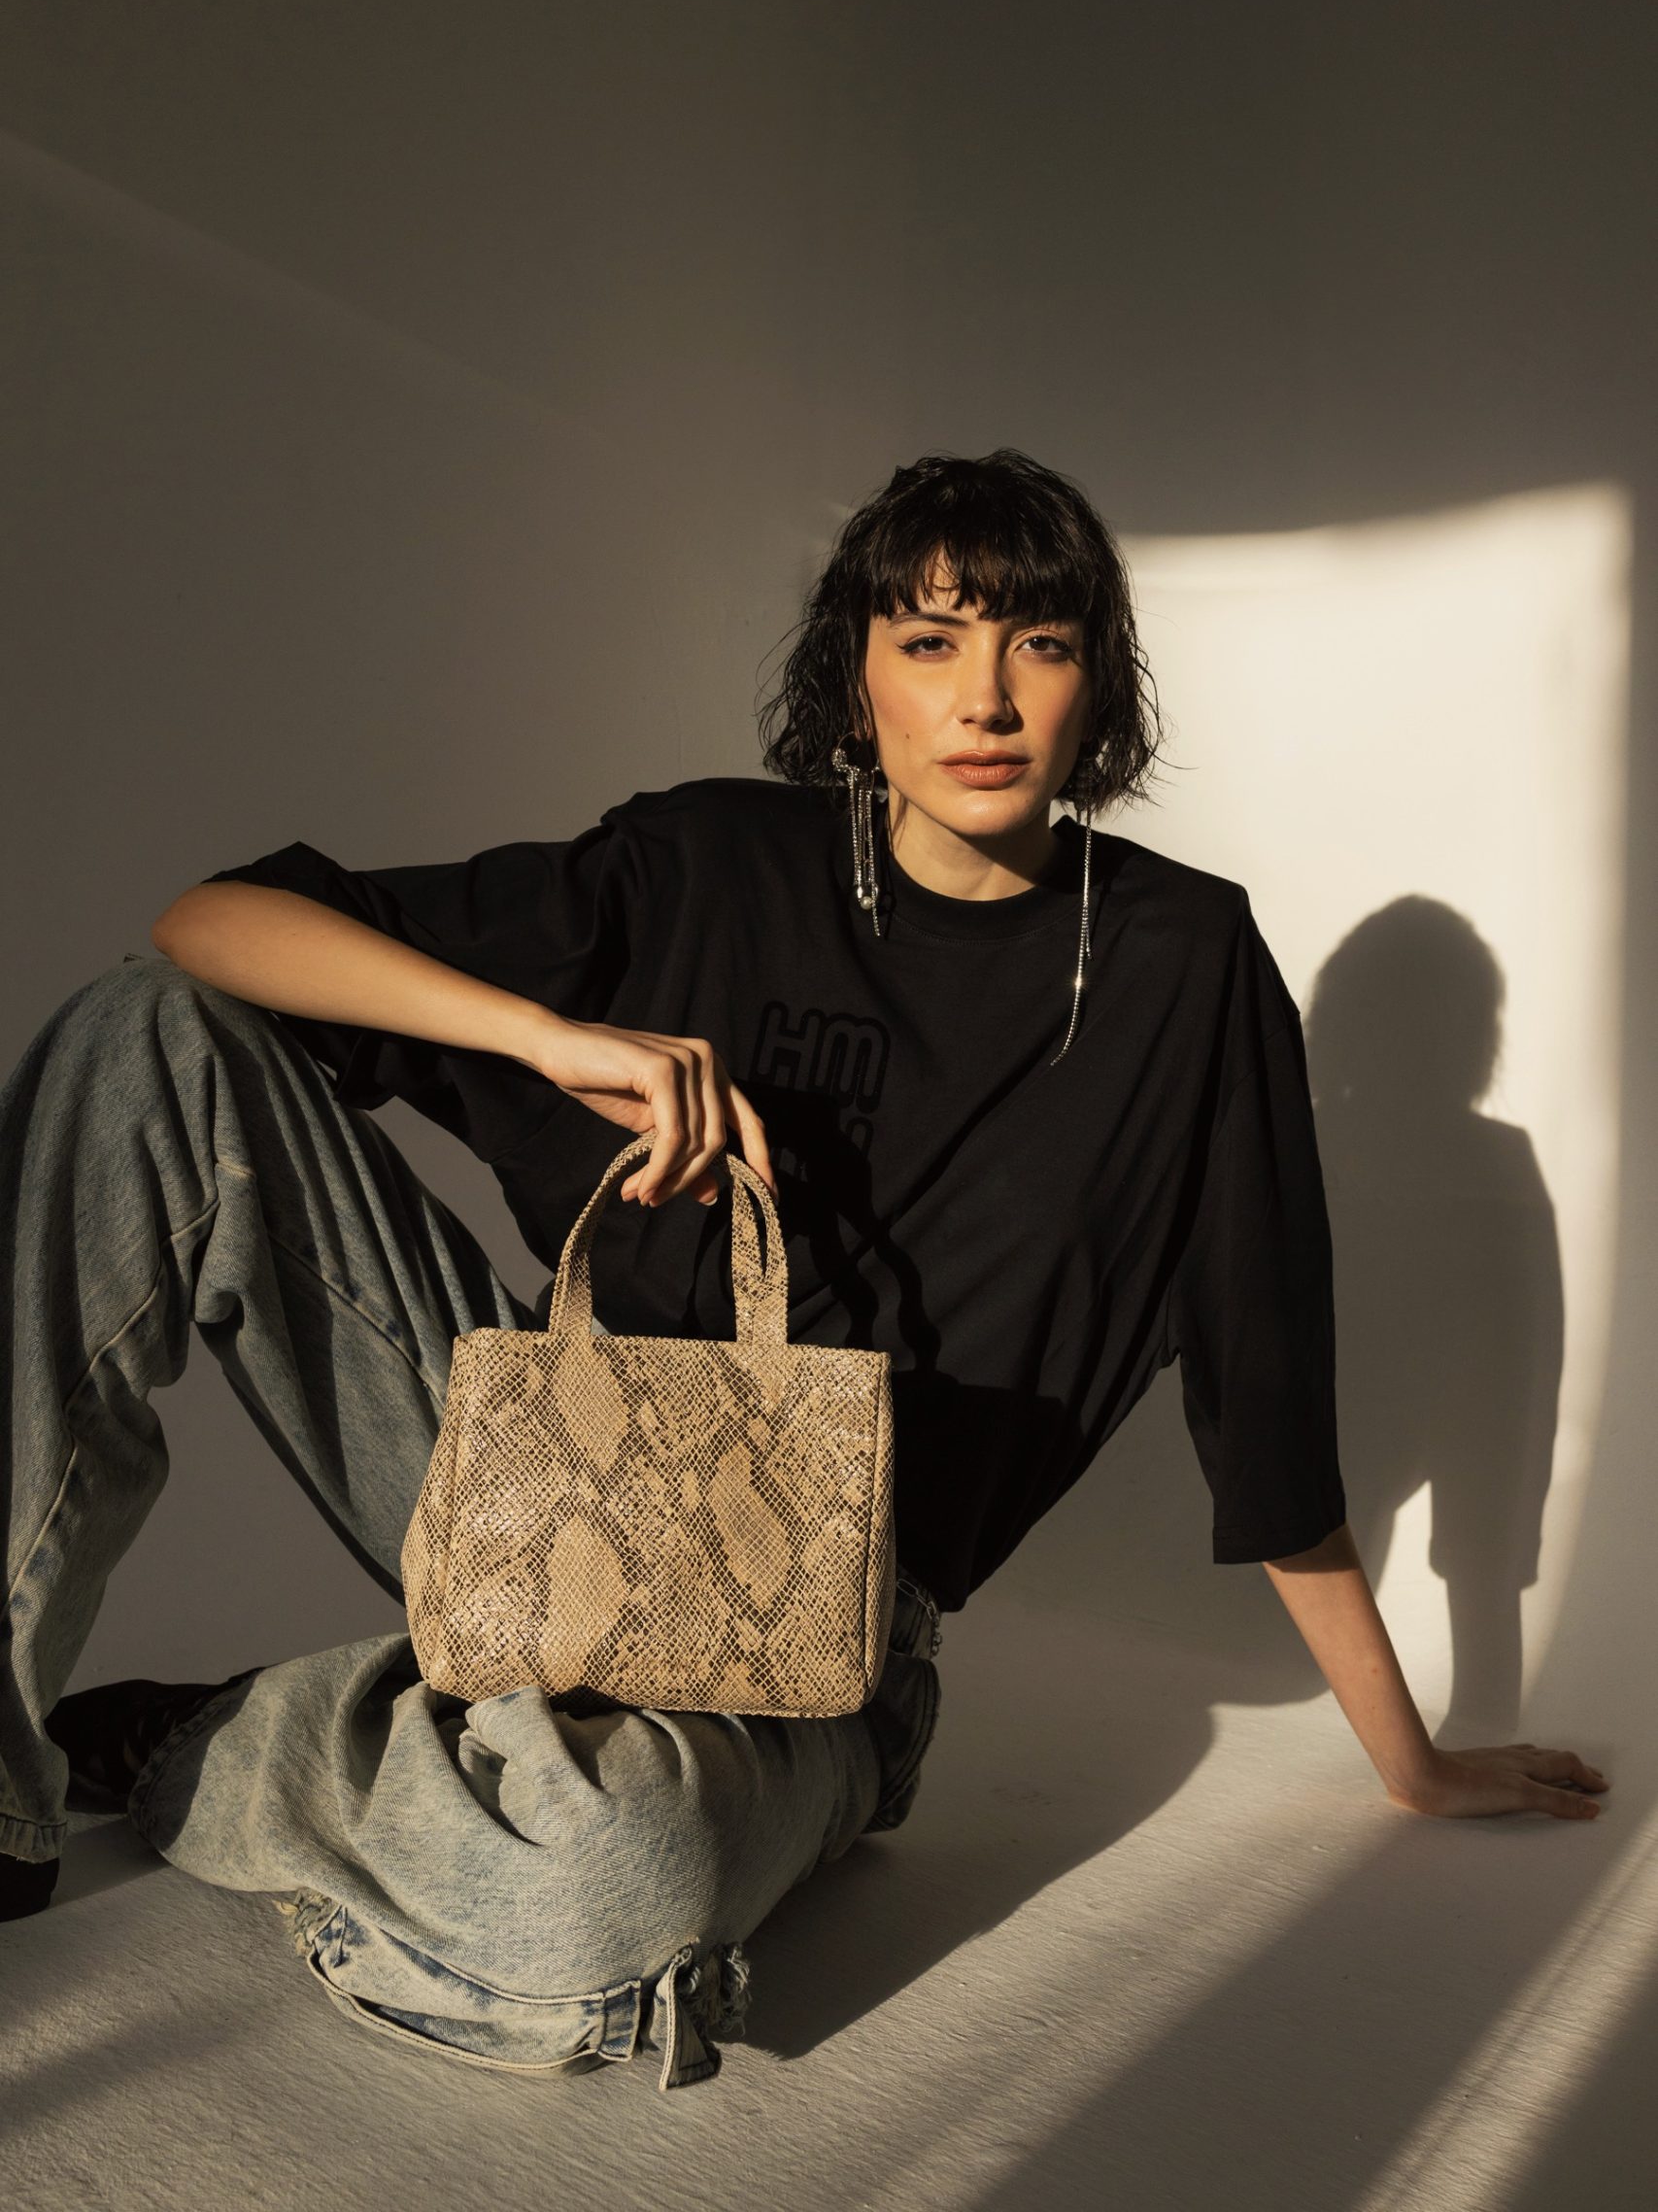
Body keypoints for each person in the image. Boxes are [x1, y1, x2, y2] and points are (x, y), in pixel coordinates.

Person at [0, 448, 1608, 2089]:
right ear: (858, 676)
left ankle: (226, 1740)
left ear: (1097, 686)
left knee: (614, 1886)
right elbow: (209, 927)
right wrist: (549, 1038)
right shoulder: (710, 860)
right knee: (146, 1038)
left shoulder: (1181, 968)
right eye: (931, 640)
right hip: (543, 1469)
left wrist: (1412, 1758)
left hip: (816, 1640)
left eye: (1040, 644)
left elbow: (1263, 1385)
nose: (985, 698)